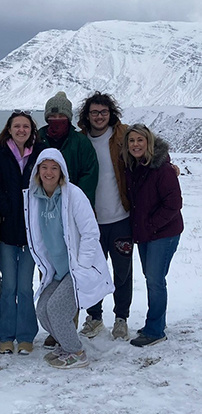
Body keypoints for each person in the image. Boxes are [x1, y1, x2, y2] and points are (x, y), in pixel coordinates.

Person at [24, 148, 114, 368]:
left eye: (54, 168)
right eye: (44, 167)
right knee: (42, 309)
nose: (48, 172)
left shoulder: (73, 195)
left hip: (75, 268)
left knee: (56, 309)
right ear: (37, 170)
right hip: (56, 269)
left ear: (62, 171)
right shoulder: (33, 197)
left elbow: (91, 232)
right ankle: (65, 345)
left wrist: (82, 265)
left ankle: (76, 352)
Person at [0, 110, 45, 355]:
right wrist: (8, 210)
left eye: (26, 126)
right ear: (8, 129)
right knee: (8, 287)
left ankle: (26, 336)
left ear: (32, 130)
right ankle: (6, 336)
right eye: (16, 126)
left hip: (32, 233)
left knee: (25, 287)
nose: (21, 130)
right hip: (7, 232)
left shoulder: (40, 154)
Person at [77, 92, 133, 340]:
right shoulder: (80, 141)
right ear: (86, 116)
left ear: (111, 114)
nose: (99, 117)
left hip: (120, 218)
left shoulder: (123, 135)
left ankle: (121, 318)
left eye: (103, 112)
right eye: (94, 112)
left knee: (122, 272)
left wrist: (167, 164)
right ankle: (95, 317)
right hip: (90, 222)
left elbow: (148, 150)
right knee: (92, 272)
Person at [121, 124, 183, 347]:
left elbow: (174, 204)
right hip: (147, 234)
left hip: (163, 233)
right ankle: (156, 323)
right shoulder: (133, 167)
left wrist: (150, 226)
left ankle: (155, 330)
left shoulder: (162, 170)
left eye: (140, 140)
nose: (136, 144)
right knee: (152, 278)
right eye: (131, 141)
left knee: (155, 280)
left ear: (149, 143)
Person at [38, 91, 99, 207]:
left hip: (73, 206)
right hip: (43, 205)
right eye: (53, 116)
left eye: (61, 116)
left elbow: (89, 177)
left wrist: (76, 203)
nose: (57, 120)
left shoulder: (81, 143)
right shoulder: (37, 140)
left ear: (68, 118)